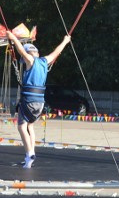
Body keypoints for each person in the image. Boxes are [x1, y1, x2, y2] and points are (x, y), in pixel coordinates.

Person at [7, 30, 72, 169]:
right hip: (40, 103)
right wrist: (65, 41)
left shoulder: (31, 61)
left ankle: (29, 153)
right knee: (30, 126)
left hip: (29, 101)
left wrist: (13, 39)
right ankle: (31, 154)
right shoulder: (44, 61)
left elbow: (21, 51)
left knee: (21, 127)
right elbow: (56, 52)